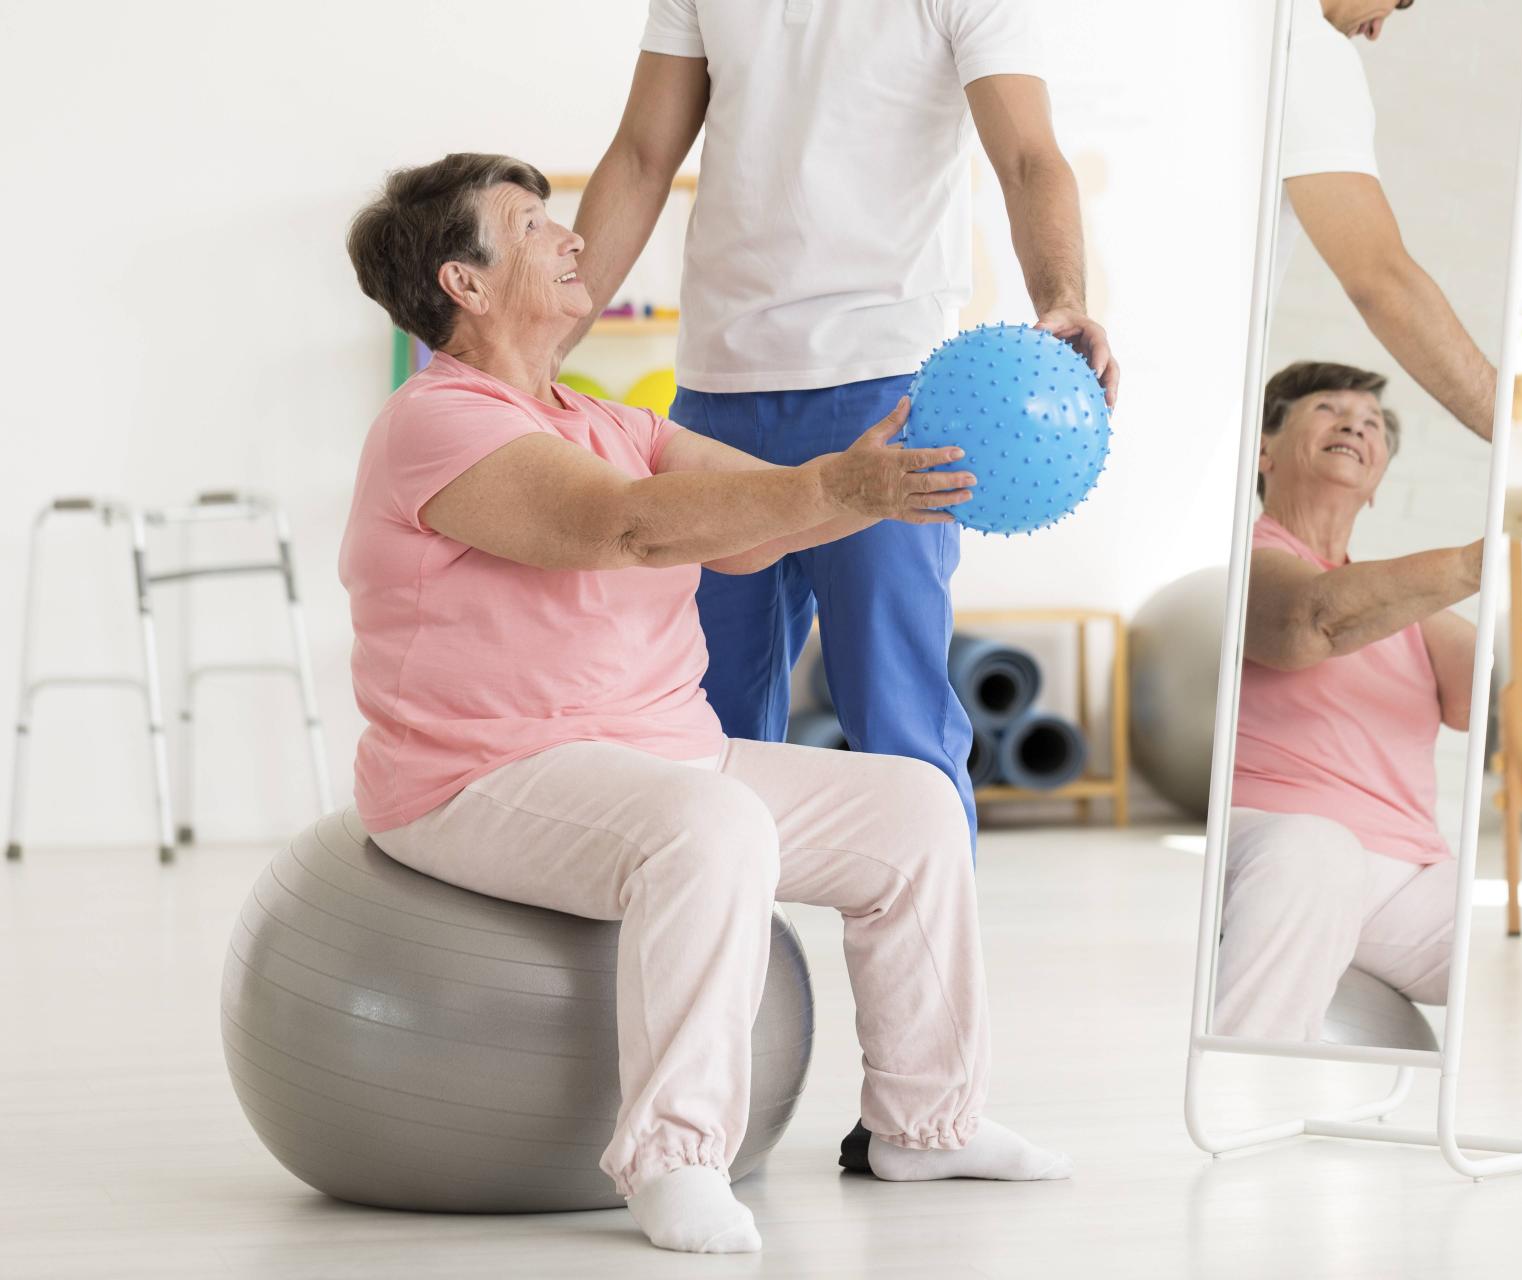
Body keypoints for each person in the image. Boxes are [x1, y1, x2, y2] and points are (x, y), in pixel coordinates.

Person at [340, 154, 1069, 1257]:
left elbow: (752, 522)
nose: (573, 238)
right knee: (712, 824)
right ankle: (674, 1156)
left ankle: (926, 1119)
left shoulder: (611, 421)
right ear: (466, 284)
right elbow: (625, 526)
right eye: (534, 227)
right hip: (480, 777)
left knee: (915, 808)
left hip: (660, 755)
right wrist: (836, 486)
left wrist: (886, 472)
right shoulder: (437, 422)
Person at [562, 0, 1118, 858]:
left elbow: (1028, 157)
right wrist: (544, 342)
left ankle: (931, 991)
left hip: (888, 394)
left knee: (900, 732)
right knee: (700, 732)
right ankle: (732, 983)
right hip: (717, 390)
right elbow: (640, 158)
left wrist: (1063, 299)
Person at [1214, 361, 1478, 1041]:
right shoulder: (1248, 561)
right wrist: (1477, 563)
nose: (1355, 425)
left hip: (1406, 879)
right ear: (1265, 452)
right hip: (1273, 844)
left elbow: (1491, 697)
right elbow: (1310, 622)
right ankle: (1240, 1084)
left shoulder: (1410, 608)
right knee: (1317, 848)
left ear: (1379, 481)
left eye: (1371, 425)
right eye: (1329, 410)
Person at [1278, 0, 1499, 439]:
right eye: (1399, 1)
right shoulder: (1308, 47)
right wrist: (1511, 430)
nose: (1377, 30)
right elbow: (1380, 281)